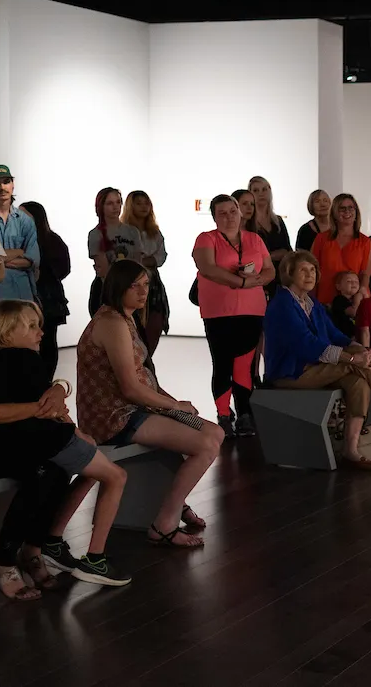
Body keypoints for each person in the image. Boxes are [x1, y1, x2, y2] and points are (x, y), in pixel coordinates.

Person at [0, 258, 121, 600]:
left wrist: (59, 388)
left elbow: (30, 377)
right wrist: (41, 408)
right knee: (44, 469)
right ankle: (3, 558)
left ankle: (32, 548)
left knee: (55, 464)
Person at [77, 260, 224, 548]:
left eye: (146, 285)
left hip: (136, 408)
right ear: (118, 287)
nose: (143, 291)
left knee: (215, 433)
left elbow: (145, 379)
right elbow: (131, 388)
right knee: (205, 444)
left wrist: (171, 402)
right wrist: (174, 407)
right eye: (135, 285)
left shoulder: (127, 319)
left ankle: (175, 503)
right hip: (115, 415)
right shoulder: (111, 322)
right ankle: (165, 522)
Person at [0, 300, 131, 587]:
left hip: (33, 442)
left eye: (39, 325)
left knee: (69, 475)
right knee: (116, 476)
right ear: (5, 333)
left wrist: (60, 391)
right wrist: (76, 433)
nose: (40, 332)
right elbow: (50, 412)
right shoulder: (26, 361)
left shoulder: (0, 363)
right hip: (49, 441)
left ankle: (40, 547)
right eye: (31, 327)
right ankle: (95, 559)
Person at [264, 251, 371, 470]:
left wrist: (361, 349)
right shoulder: (282, 305)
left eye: (313, 270)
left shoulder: (311, 303)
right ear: (289, 273)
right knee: (353, 364)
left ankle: (351, 449)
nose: (310, 275)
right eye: (303, 270)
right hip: (291, 373)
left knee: (359, 381)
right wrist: (353, 357)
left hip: (316, 368)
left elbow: (336, 335)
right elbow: (308, 345)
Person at [192, 194, 275, 437]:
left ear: (240, 212)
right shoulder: (206, 239)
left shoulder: (255, 239)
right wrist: (241, 281)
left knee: (245, 365)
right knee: (222, 363)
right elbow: (207, 268)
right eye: (222, 213)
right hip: (218, 311)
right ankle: (224, 414)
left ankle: (245, 413)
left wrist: (258, 280)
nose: (229, 217)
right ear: (214, 216)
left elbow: (269, 269)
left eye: (232, 211)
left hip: (252, 310)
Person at [19, 202, 70, 380]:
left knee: (47, 340)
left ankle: (46, 379)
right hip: (29, 296)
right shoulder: (20, 240)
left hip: (48, 299)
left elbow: (64, 268)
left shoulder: (51, 240)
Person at [121, 190, 169, 355]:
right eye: (139, 203)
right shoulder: (123, 232)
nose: (143, 207)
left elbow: (161, 256)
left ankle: (146, 364)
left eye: (146, 203)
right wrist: (145, 259)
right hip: (129, 282)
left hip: (152, 283)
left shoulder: (154, 231)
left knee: (154, 324)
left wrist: (145, 260)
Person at [0, 165, 40, 303]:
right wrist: (19, 251)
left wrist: (0, 260)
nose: (2, 187)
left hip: (22, 292)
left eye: (6, 181)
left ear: (13, 184)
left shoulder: (24, 220)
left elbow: (32, 260)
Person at [87, 187, 143, 318]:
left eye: (118, 202)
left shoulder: (132, 232)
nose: (115, 207)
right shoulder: (96, 234)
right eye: (110, 203)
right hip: (106, 288)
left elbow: (137, 262)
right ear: (101, 206)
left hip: (131, 287)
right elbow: (102, 267)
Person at [311, 193, 371, 307]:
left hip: (353, 303)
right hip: (325, 301)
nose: (347, 211)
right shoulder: (321, 239)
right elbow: (312, 270)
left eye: (351, 208)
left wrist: (358, 299)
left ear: (356, 213)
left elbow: (365, 275)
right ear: (334, 213)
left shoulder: (365, 242)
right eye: (342, 208)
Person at [249, 176, 292, 298]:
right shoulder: (248, 223)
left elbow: (287, 251)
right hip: (258, 278)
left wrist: (266, 256)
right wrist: (273, 255)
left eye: (264, 189)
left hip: (280, 278)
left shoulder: (277, 221)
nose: (261, 194)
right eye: (256, 190)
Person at [330, 271, 361, 338]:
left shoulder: (354, 300)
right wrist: (358, 299)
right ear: (338, 286)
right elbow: (354, 313)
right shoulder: (339, 299)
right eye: (349, 281)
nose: (353, 283)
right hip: (344, 336)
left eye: (356, 281)